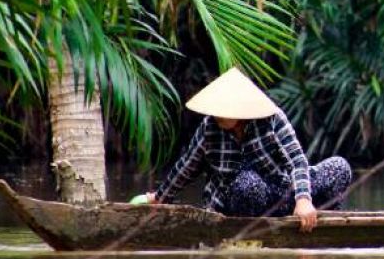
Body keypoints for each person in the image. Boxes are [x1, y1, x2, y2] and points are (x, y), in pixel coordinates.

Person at [146, 68, 351, 232]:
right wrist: (161, 197)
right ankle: (255, 231)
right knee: (248, 184)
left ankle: (314, 222)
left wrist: (303, 199)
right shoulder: (209, 127)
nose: (218, 115)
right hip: (236, 201)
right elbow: (187, 167)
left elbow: (296, 160)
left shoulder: (272, 119)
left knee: (339, 167)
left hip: (278, 193)